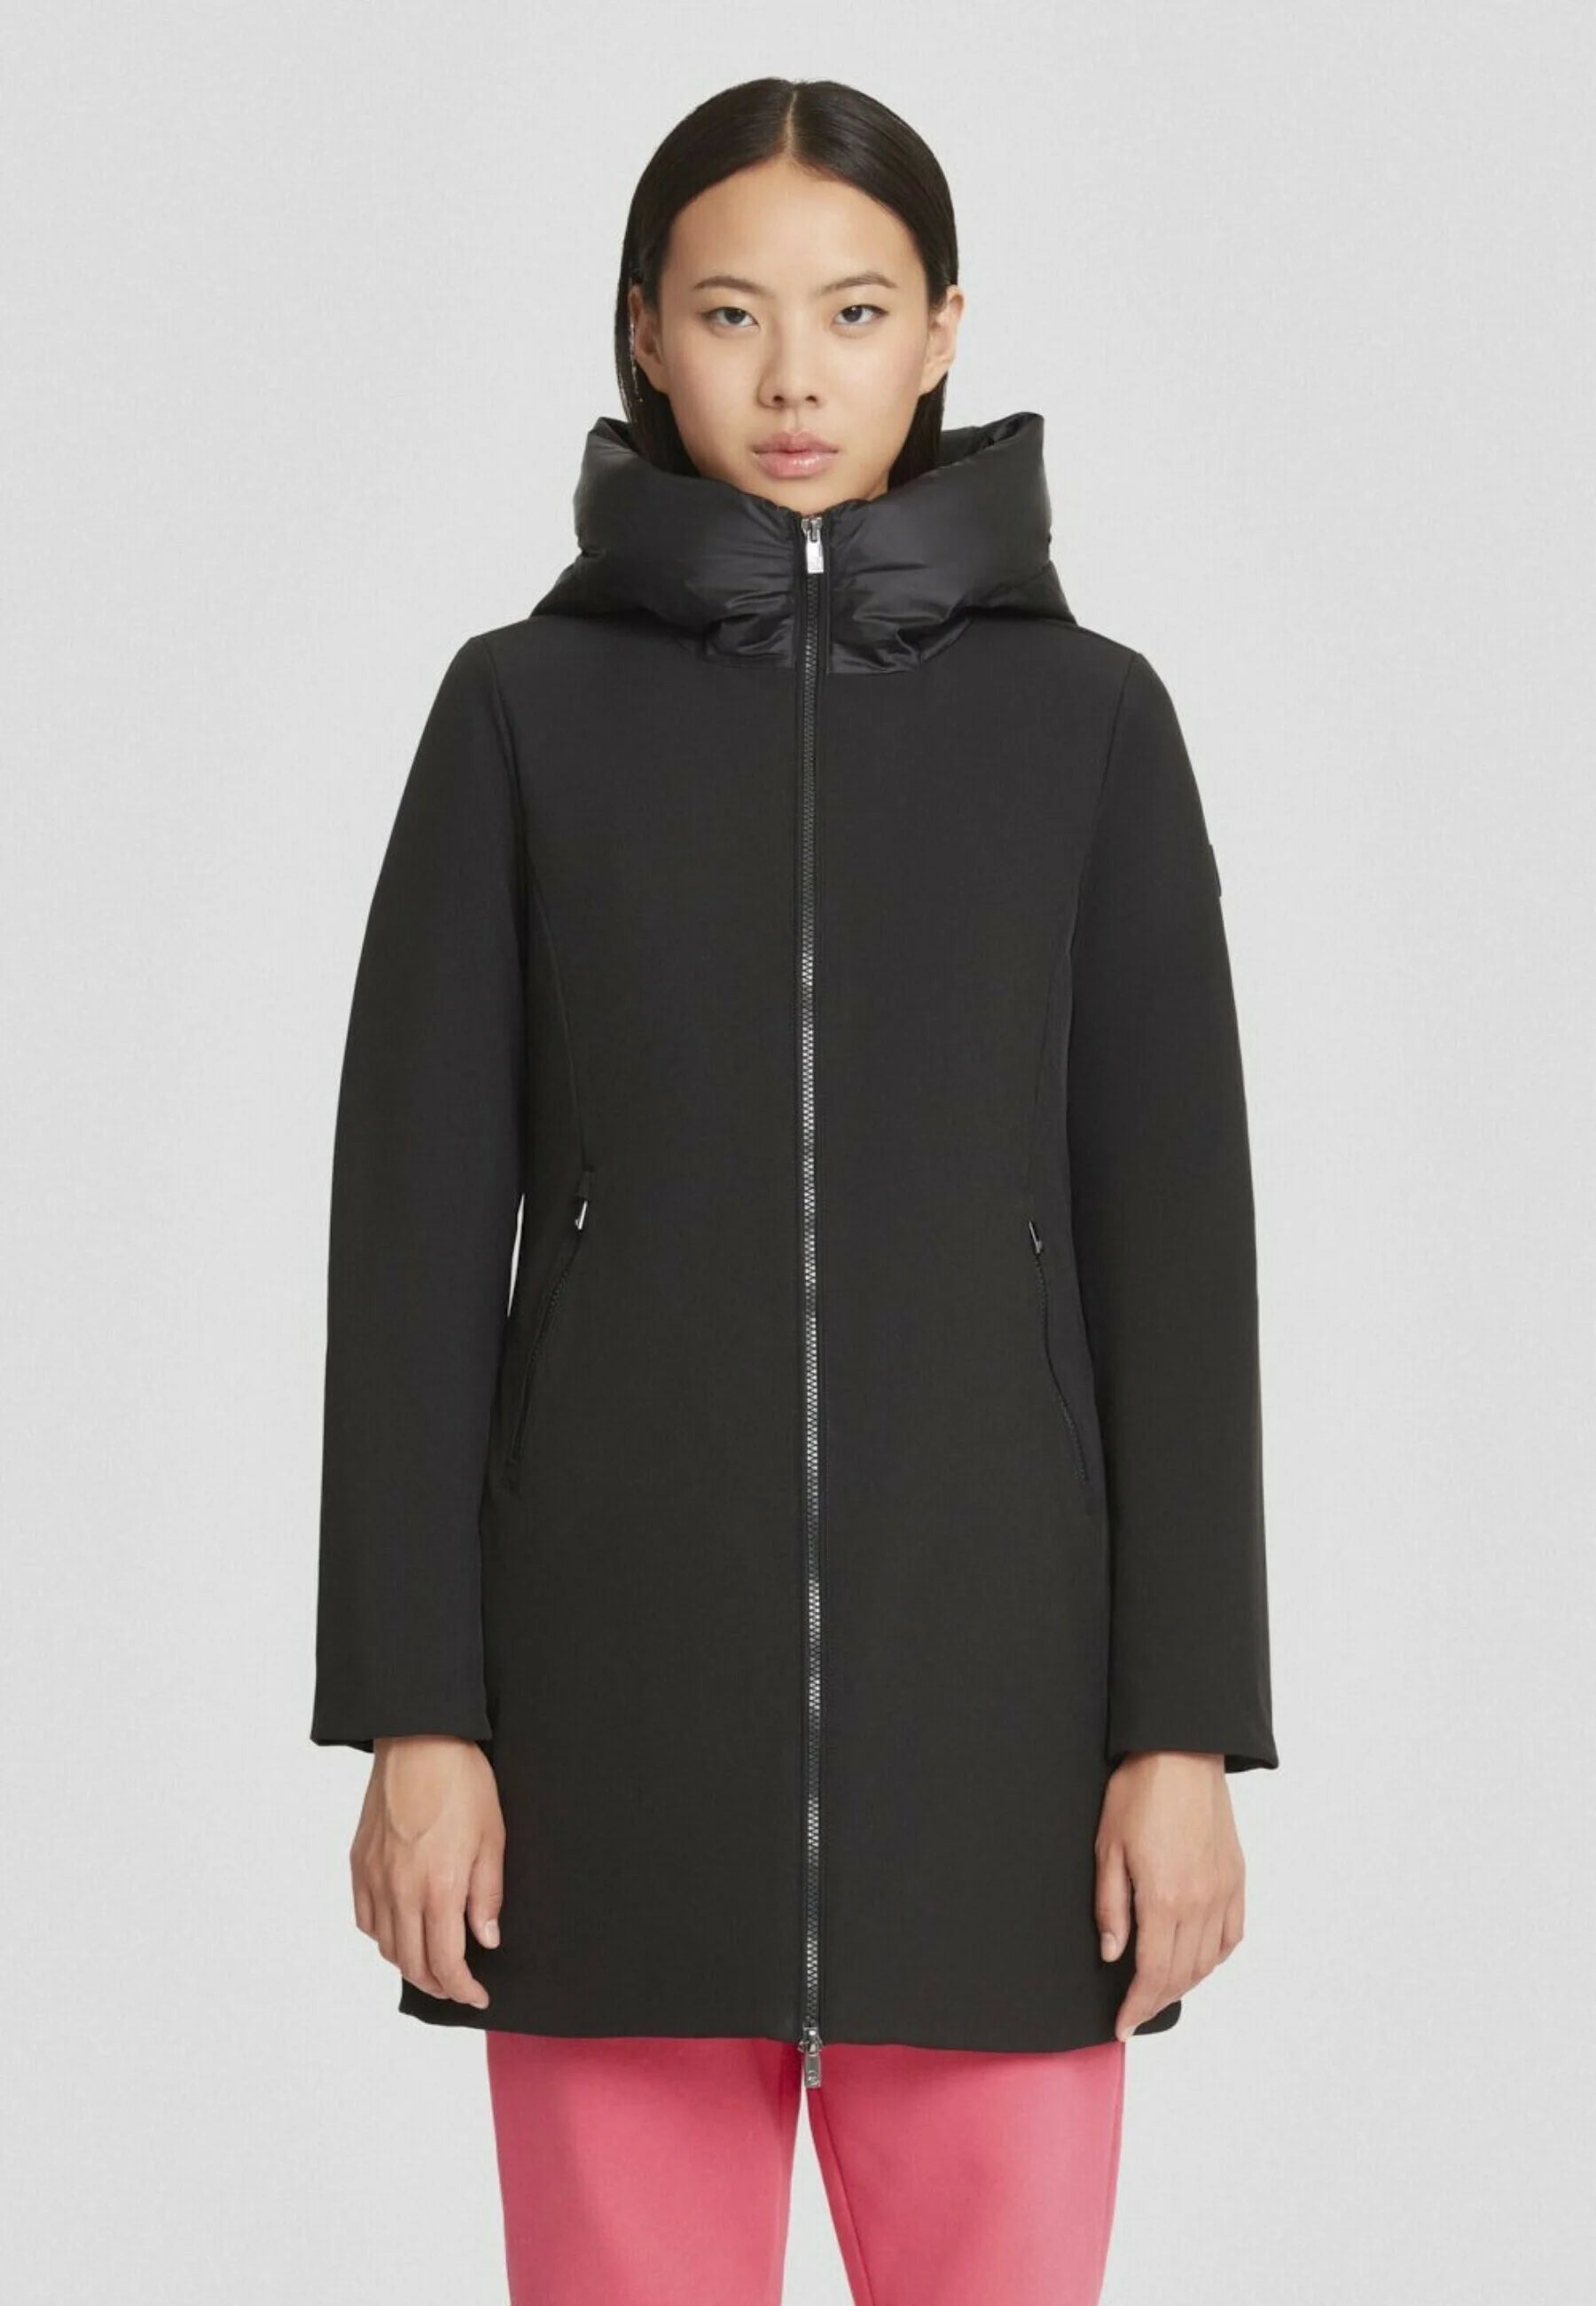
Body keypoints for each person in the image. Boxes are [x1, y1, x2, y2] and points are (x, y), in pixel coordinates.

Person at [310, 74, 1279, 2306]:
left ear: (942, 332)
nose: (791, 377)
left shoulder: (1092, 727)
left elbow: (1176, 1256)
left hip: (1006, 1759)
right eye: (730, 312)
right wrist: (419, 1717)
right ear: (644, 332)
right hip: (605, 1745)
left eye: (851, 311)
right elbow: (413, 1247)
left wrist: (1184, 1733)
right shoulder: (520, 715)